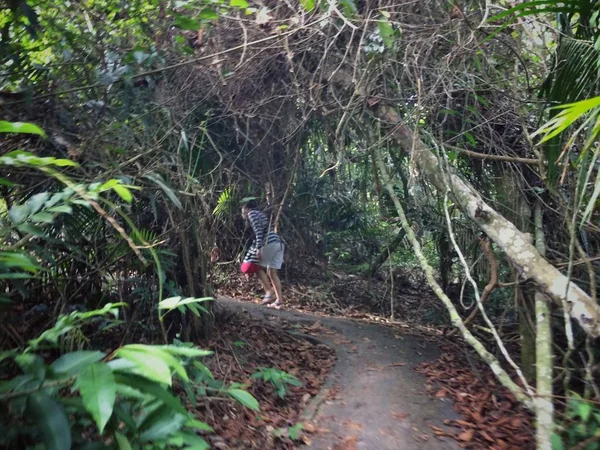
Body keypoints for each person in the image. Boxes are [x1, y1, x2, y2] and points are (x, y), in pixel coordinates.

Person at [241, 200, 284, 309]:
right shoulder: (261, 215)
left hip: (269, 243)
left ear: (246, 208)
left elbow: (258, 231)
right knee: (272, 272)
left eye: (242, 210)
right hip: (278, 243)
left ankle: (269, 293)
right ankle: (279, 300)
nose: (242, 212)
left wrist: (259, 248)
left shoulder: (252, 214)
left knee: (257, 268)